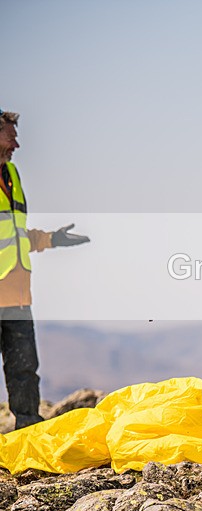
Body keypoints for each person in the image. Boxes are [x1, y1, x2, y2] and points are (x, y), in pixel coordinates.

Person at [0, 109, 90, 429]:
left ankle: (28, 433)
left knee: (25, 369)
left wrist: (52, 239)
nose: (16, 145)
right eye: (10, 137)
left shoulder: (11, 176)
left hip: (17, 294)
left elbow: (12, 234)